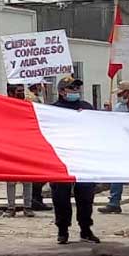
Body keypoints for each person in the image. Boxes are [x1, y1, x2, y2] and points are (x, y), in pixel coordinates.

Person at [49, 75, 100, 244]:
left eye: (77, 87)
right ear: (62, 91)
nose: (76, 91)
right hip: (61, 158)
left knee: (86, 196)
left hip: (83, 157)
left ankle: (85, 229)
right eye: (72, 88)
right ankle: (62, 230)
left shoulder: (86, 107)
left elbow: (96, 128)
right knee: (60, 196)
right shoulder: (53, 110)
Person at [99, 81, 129, 215]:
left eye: (122, 92)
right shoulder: (119, 107)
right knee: (117, 173)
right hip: (122, 144)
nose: (120, 95)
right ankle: (114, 203)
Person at [4, 84, 35, 217]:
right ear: (10, 92)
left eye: (23, 90)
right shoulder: (4, 106)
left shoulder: (28, 105)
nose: (22, 93)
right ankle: (11, 208)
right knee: (11, 180)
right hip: (10, 145)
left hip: (26, 145)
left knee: (28, 179)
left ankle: (27, 207)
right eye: (19, 91)